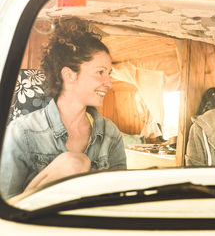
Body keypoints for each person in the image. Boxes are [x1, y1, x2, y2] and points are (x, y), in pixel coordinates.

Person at [0, 17, 127, 201]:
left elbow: (120, 199)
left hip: (93, 227)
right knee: (74, 163)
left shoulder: (111, 134)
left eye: (109, 74)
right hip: (36, 227)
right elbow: (4, 205)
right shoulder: (22, 132)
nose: (108, 83)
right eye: (100, 72)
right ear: (69, 75)